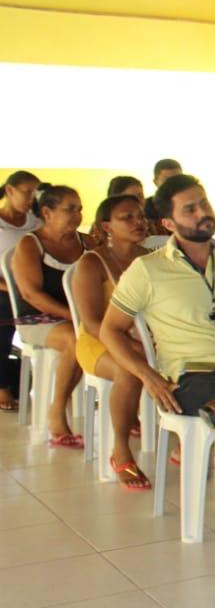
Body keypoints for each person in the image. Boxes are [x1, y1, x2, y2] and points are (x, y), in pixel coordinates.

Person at [98, 174, 215, 561]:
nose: (204, 212)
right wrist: (147, 375)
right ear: (168, 223)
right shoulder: (147, 270)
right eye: (191, 208)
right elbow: (110, 330)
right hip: (189, 378)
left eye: (204, 202)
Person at [71, 195, 150, 488]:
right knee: (129, 371)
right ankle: (120, 449)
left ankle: (181, 439)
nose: (138, 222)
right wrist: (129, 343)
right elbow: (91, 322)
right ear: (107, 226)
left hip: (144, 339)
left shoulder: (152, 258)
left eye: (140, 215)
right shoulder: (92, 262)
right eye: (126, 217)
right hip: (98, 341)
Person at [13, 185, 91, 446]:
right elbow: (31, 295)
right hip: (37, 319)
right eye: (70, 209)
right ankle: (56, 412)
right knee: (75, 339)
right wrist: (74, 316)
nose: (77, 215)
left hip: (77, 319)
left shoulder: (87, 242)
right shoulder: (30, 244)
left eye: (79, 209)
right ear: (47, 212)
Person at [0, 170, 42, 412]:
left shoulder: (35, 223)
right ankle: (2, 384)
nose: (31, 199)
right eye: (26, 193)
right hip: (4, 288)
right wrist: (11, 288)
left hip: (28, 287)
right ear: (9, 191)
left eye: (34, 194)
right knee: (3, 308)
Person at [143, 158, 183, 231]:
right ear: (155, 182)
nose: (173, 184)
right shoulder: (144, 208)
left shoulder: (192, 205)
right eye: (167, 180)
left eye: (178, 179)